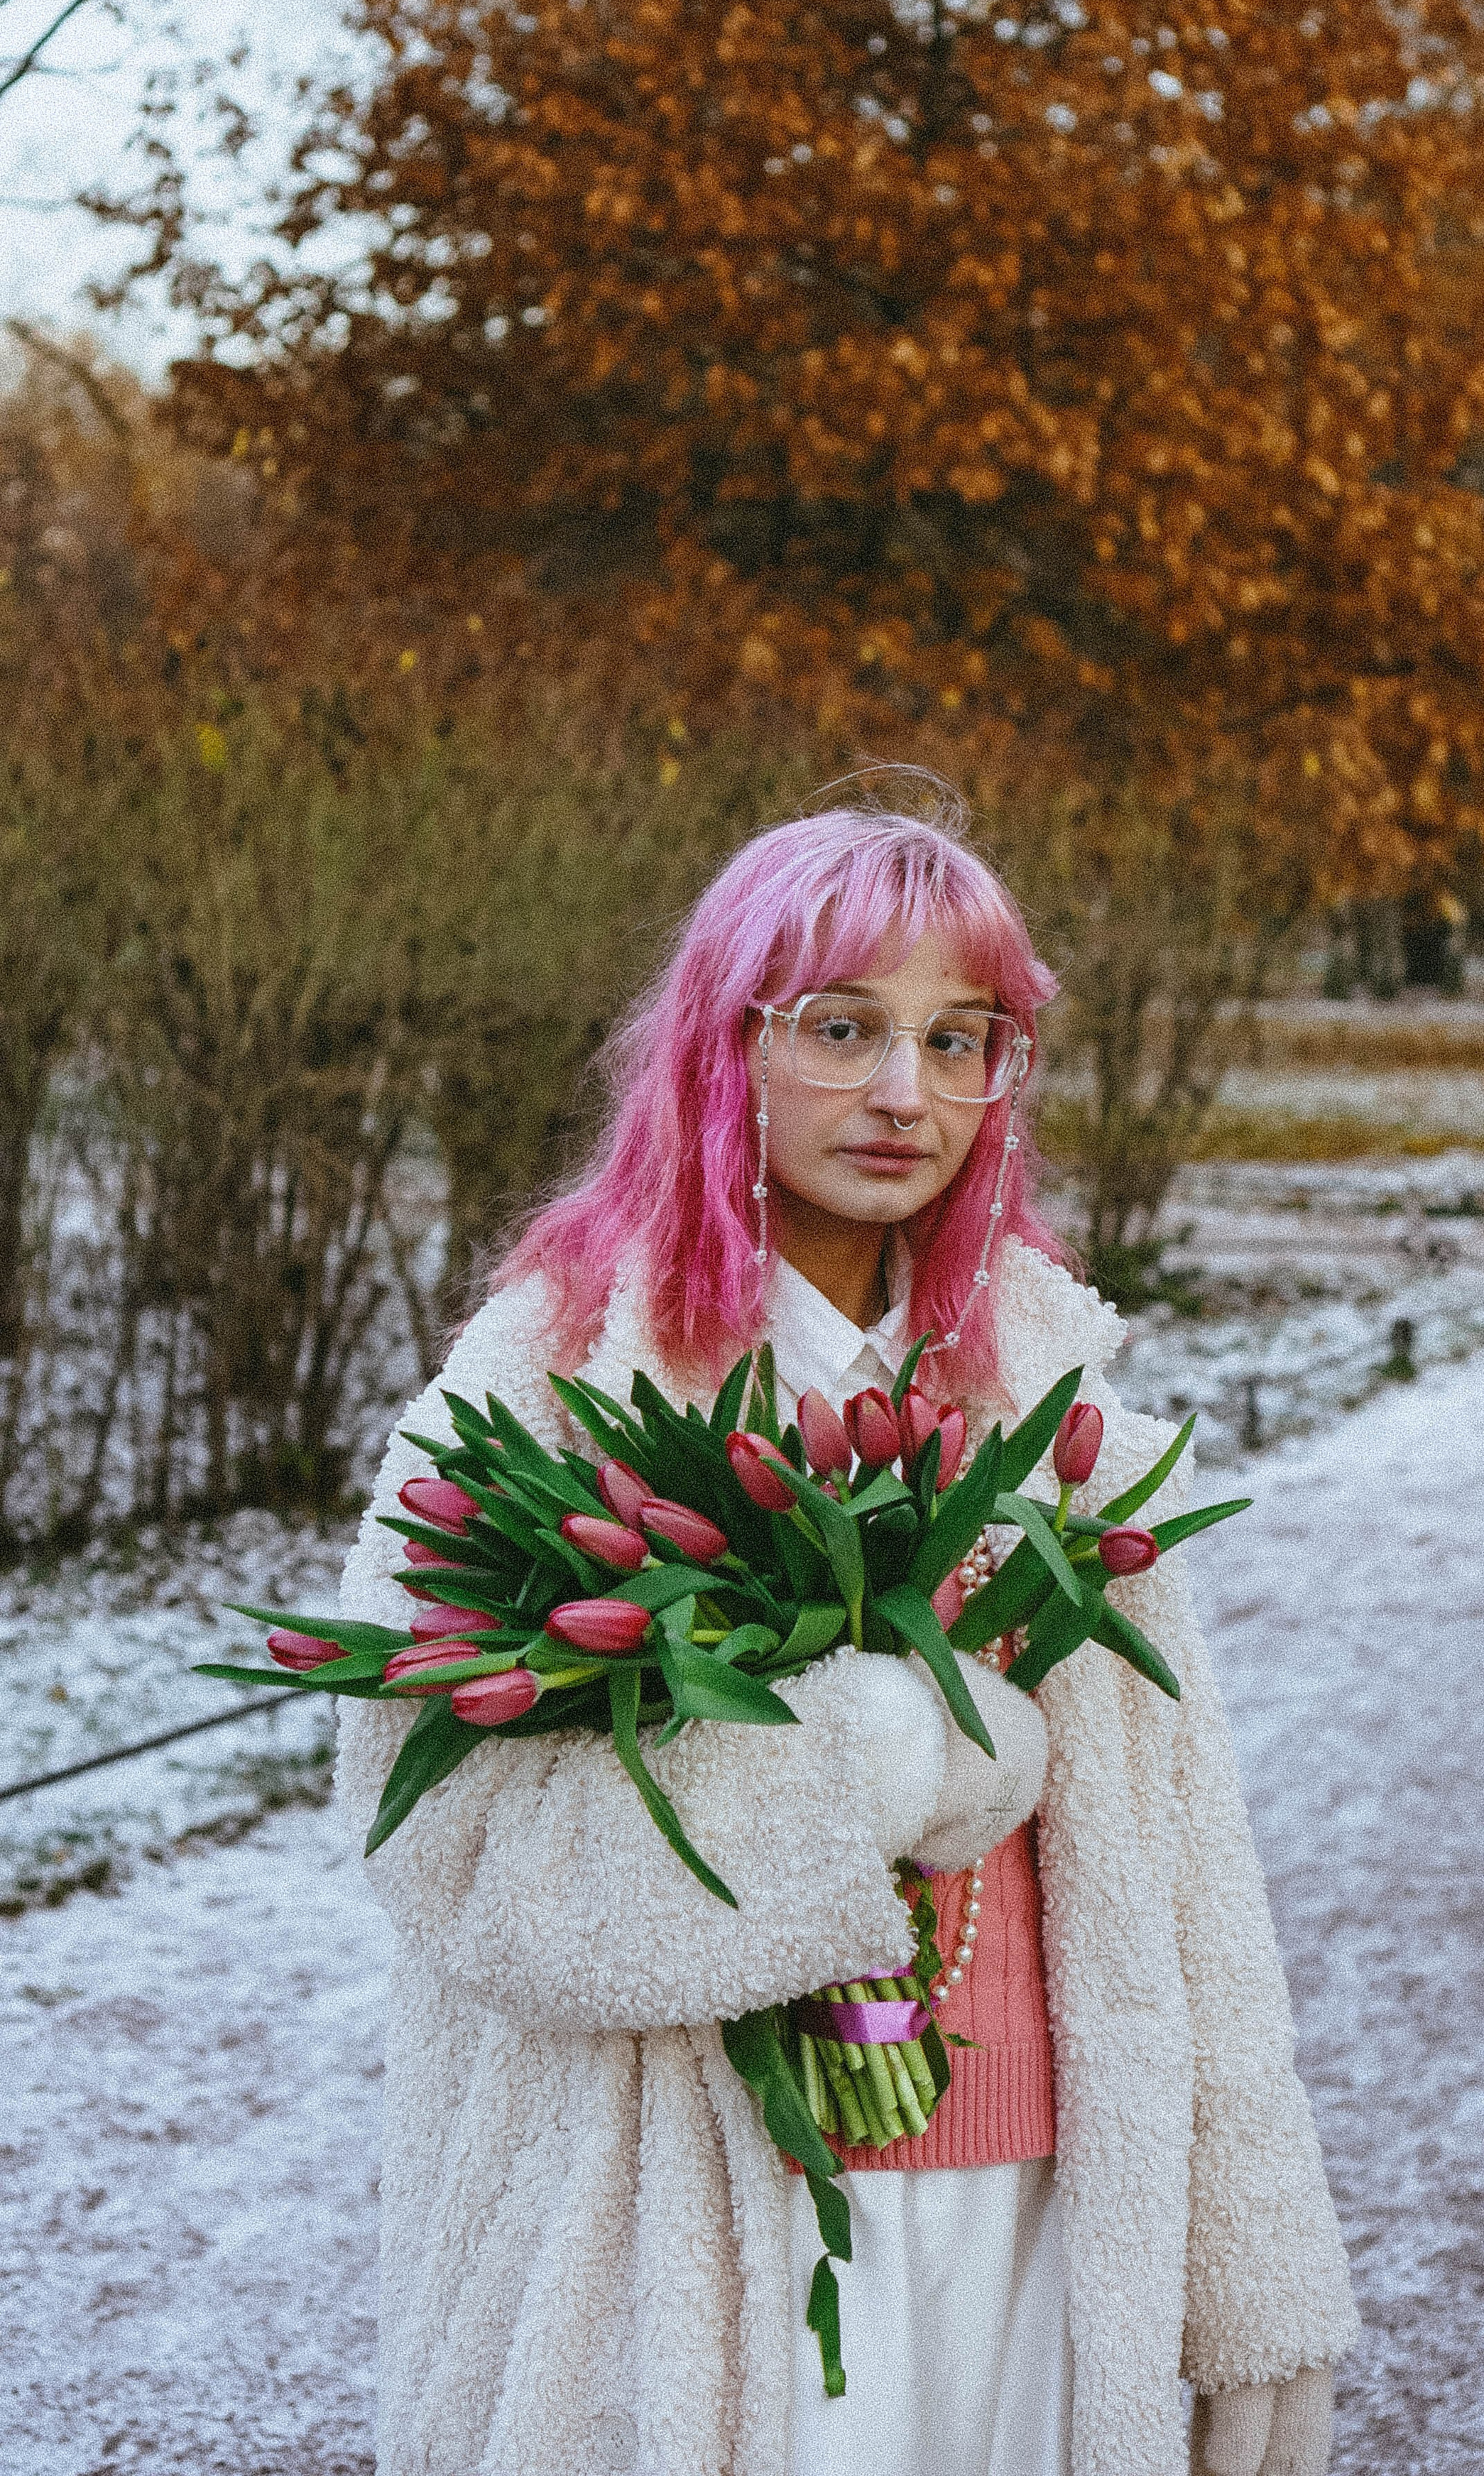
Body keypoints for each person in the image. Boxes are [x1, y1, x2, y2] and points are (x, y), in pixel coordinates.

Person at [337, 804, 1358, 2476]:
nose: (906, 1095)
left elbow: (1185, 1863)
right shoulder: (556, 1374)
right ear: (722, 1044)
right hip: (693, 2230)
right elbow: (445, 1846)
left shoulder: (1042, 1370)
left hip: (1027, 2200)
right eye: (843, 1030)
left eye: (960, 1042)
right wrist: (871, 1759)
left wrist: (1252, 2277)